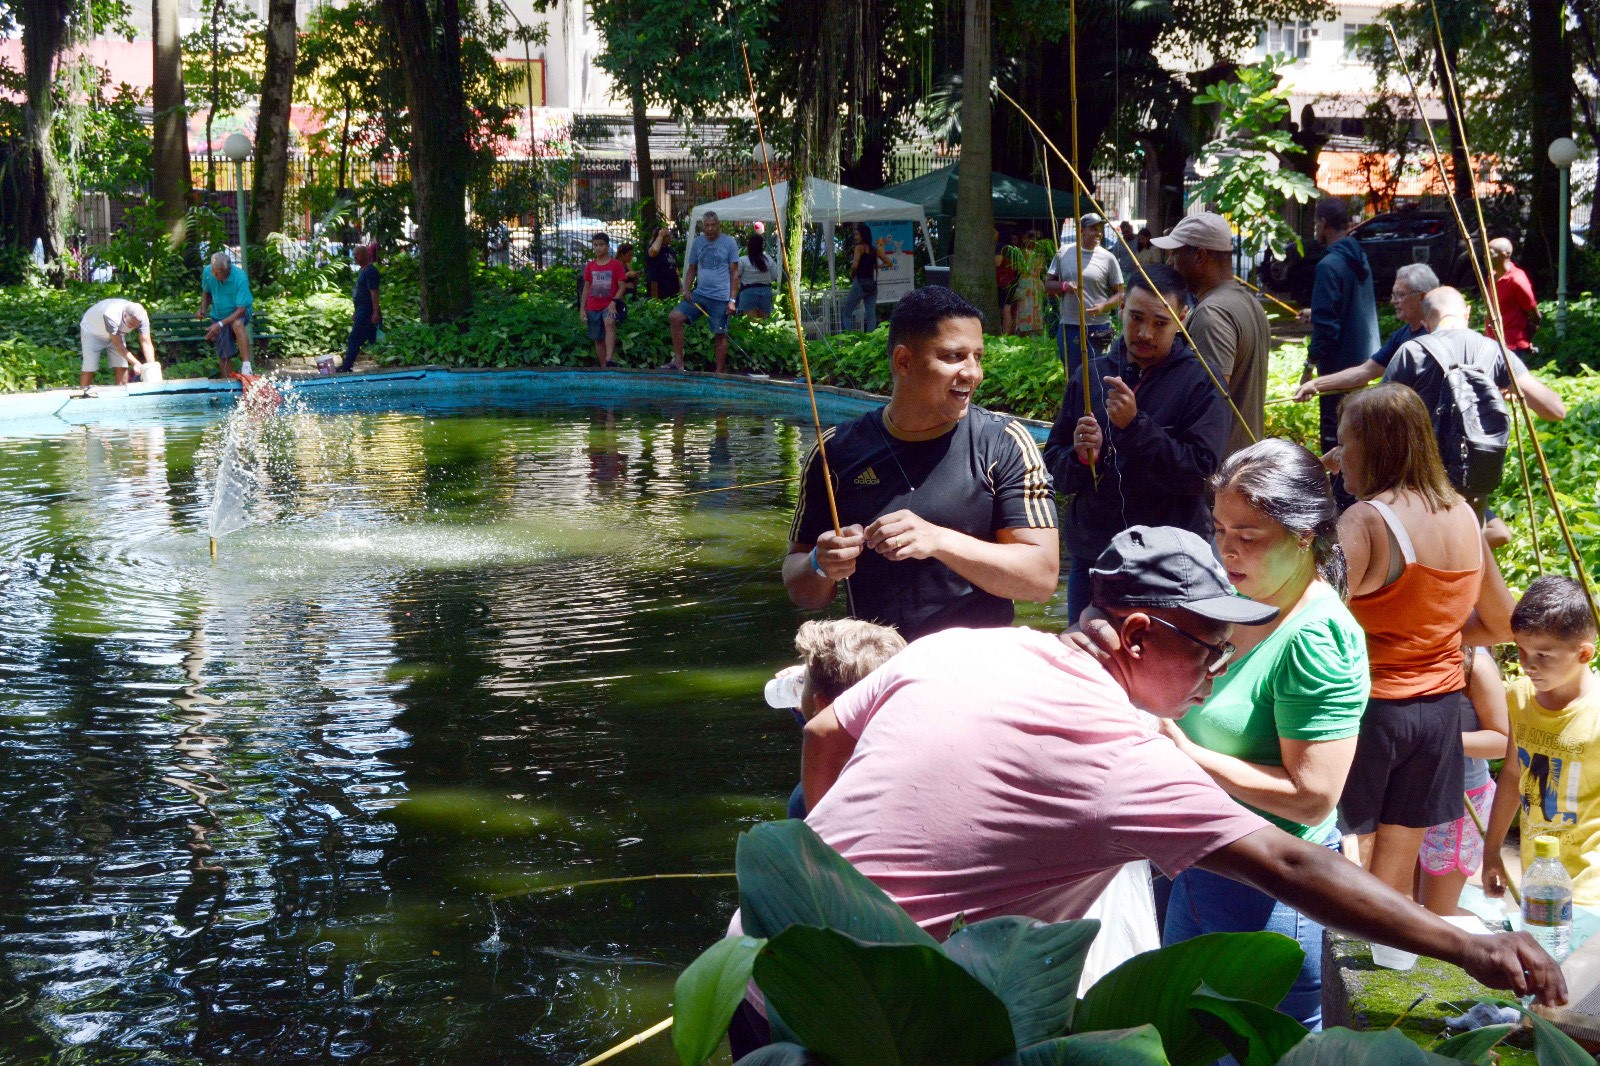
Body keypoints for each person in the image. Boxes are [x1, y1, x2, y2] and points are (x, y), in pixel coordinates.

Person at [787, 524, 1563, 1004]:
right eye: (1206, 654)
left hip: (778, 954)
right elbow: (1291, 864)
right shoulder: (1119, 758)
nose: (1215, 676)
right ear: (1133, 637)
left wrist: (828, 864)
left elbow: (825, 729)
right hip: (877, 1019)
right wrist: (1466, 944)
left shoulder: (960, 646)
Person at [1156, 439, 1369, 1032]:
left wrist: (1189, 757)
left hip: (1272, 890)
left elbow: (1314, 796)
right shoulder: (1241, 601)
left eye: (1249, 537)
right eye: (1220, 529)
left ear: (1304, 535)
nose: (1226, 549)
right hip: (1203, 863)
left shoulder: (1317, 637)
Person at [784, 286, 1058, 641]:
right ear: (903, 361)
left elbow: (1041, 579)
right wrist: (821, 565)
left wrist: (938, 540)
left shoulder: (1005, 443)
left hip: (977, 674)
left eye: (978, 356)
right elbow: (800, 587)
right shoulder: (834, 450)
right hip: (877, 672)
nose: (973, 372)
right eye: (954, 356)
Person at [1329, 383, 1514, 899]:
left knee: (1350, 860)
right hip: (1437, 715)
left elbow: (1313, 615)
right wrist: (1435, 631)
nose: (1338, 455)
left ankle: (1337, 975)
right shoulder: (1463, 515)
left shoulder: (1366, 520)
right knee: (1395, 872)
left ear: (1374, 444)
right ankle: (1387, 967)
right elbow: (1503, 623)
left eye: (1345, 442)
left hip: (1369, 711)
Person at [1044, 264, 1228, 623]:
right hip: (1094, 554)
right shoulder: (1092, 372)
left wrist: (1136, 427)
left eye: (1160, 323)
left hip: (1170, 560)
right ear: (1121, 309)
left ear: (1182, 318)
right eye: (1136, 318)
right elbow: (1056, 466)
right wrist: (1081, 458)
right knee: (1086, 665)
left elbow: (1200, 474)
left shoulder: (1202, 381)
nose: (1144, 333)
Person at [1482, 576, 1600, 906]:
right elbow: (1511, 776)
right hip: (1540, 874)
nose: (1528, 664)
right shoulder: (1519, 698)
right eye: (1521, 650)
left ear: (1584, 654)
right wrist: (1491, 853)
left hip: (1591, 883)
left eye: (1544, 654)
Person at [765, 619, 906, 820]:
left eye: (803, 682)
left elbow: (830, 735)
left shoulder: (808, 801)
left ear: (820, 705)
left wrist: (811, 708)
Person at [1154, 212, 1271, 456]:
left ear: (1199, 256)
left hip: (1221, 467)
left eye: (1174, 255)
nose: (1169, 265)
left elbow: (1210, 405)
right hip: (1244, 460)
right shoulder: (1250, 303)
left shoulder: (1212, 313)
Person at [1417, 647, 1509, 916]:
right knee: (1407, 907)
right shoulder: (1408, 645)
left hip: (1459, 804)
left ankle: (1496, 947)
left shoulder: (1476, 663)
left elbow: (1502, 741)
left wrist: (1436, 740)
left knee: (1436, 915)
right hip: (1411, 799)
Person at [1297, 198, 1379, 461]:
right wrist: (1316, 312)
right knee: (1359, 435)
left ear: (1323, 224)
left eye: (1315, 223)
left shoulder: (1328, 265)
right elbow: (1350, 304)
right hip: (1363, 363)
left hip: (1337, 369)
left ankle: (1341, 498)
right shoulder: (1359, 257)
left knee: (1337, 441)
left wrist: (1309, 366)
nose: (1315, 229)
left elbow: (1328, 332)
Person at [1293, 263, 1438, 404]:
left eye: (1400, 295)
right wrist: (1315, 384)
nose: (1393, 301)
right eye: (1393, 295)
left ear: (1421, 296)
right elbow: (1365, 372)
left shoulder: (1437, 335)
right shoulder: (1402, 335)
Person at [1047, 212, 1124, 366]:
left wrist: (1104, 306)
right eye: (1093, 228)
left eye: (1100, 229)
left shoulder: (1108, 258)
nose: (1098, 233)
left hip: (1099, 327)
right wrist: (1064, 286)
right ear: (1081, 230)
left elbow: (1121, 293)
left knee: (1097, 374)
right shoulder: (1064, 253)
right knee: (1073, 373)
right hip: (1070, 325)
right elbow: (1047, 285)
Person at [667, 212, 740, 372]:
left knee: (720, 335)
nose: (710, 228)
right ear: (703, 226)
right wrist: (686, 288)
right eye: (707, 225)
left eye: (713, 225)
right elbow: (692, 268)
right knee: (675, 317)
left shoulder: (729, 243)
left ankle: (718, 374)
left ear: (718, 224)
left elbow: (735, 272)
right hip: (700, 294)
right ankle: (678, 362)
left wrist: (732, 300)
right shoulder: (698, 242)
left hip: (721, 297)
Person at [198, 250, 254, 378]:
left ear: (228, 270)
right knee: (224, 354)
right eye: (213, 271)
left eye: (218, 273)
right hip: (218, 315)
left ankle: (246, 366)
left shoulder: (240, 277)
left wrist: (220, 324)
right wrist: (203, 309)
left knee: (237, 323)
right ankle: (227, 386)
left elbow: (242, 310)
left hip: (237, 313)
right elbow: (207, 293)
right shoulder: (208, 272)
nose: (214, 274)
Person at [78, 298, 156, 390]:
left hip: (117, 334)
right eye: (131, 324)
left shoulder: (142, 317)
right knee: (90, 366)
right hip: (92, 331)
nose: (134, 327)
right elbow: (118, 345)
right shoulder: (111, 315)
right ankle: (82, 394)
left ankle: (122, 396)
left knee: (122, 365)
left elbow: (146, 341)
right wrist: (136, 363)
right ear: (125, 315)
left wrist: (152, 367)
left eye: (137, 325)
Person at [1485, 237, 1540, 361]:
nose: (1485, 257)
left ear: (1504, 255)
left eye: (1490, 253)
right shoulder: (1492, 277)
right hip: (1492, 343)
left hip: (1512, 347)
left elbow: (1534, 315)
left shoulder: (1517, 280)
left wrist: (1526, 340)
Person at [338, 243, 382, 373]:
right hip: (362, 310)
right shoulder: (363, 270)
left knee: (355, 338)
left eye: (356, 254)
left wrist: (375, 312)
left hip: (367, 311)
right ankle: (348, 365)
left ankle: (346, 366)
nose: (354, 257)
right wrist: (355, 312)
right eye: (354, 254)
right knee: (370, 339)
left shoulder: (370, 271)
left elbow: (374, 292)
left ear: (365, 255)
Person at [841, 223, 893, 332]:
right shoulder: (874, 250)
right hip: (872, 286)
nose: (855, 237)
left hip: (859, 284)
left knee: (846, 313)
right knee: (871, 316)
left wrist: (852, 273)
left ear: (863, 235)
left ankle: (848, 339)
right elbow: (889, 263)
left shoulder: (859, 248)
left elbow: (855, 265)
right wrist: (877, 266)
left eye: (857, 235)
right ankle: (871, 341)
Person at [580, 232, 621, 368]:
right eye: (595, 245)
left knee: (609, 322)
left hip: (609, 304)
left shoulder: (616, 265)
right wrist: (582, 309)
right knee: (598, 339)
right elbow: (586, 288)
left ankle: (609, 358)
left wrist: (614, 302)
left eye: (601, 245)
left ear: (607, 246)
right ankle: (604, 366)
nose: (598, 248)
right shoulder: (590, 266)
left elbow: (622, 287)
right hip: (593, 306)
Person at [736, 233, 778, 319]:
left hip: (748, 292)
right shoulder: (768, 259)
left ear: (749, 246)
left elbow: (735, 275)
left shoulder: (743, 260)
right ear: (762, 247)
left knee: (749, 323)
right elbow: (775, 275)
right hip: (765, 292)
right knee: (763, 321)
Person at [994, 228, 1020, 335]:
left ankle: (1005, 334)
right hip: (1011, 281)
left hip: (1003, 283)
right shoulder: (1012, 248)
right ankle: (1007, 334)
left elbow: (997, 263)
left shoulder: (1000, 246)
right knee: (1007, 309)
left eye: (994, 231)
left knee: (1005, 309)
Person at [645, 225, 681, 300]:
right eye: (666, 236)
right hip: (657, 285)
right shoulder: (652, 248)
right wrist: (660, 236)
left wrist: (681, 286)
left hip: (671, 286)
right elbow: (654, 250)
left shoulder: (671, 251)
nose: (670, 238)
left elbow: (675, 269)